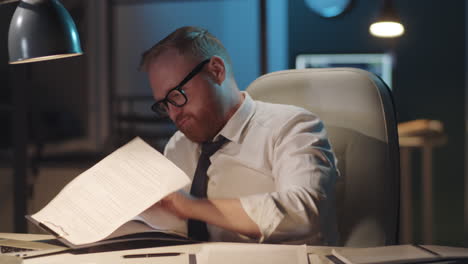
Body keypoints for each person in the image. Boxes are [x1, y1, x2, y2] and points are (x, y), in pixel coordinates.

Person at [139, 26, 339, 245]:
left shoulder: (291, 126)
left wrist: (190, 207)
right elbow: (174, 229)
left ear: (216, 70)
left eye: (177, 95)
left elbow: (303, 212)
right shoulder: (178, 145)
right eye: (164, 105)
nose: (174, 113)